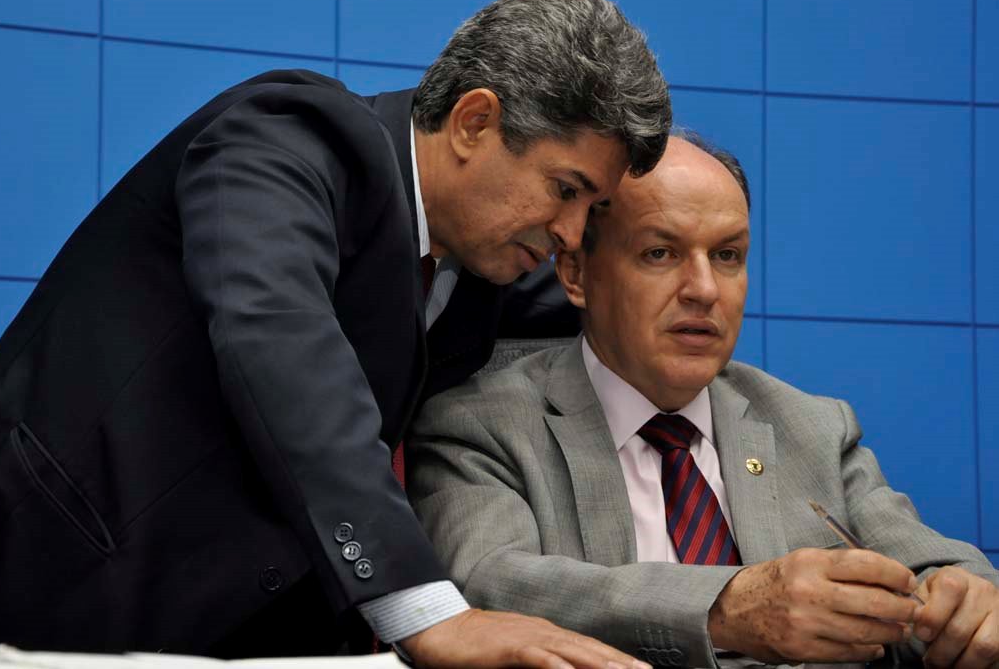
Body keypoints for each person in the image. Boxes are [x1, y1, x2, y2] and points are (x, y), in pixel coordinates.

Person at [0, 0, 672, 668]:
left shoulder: (484, 262)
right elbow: (280, 340)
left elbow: (621, 308)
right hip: (23, 577)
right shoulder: (292, 139)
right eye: (565, 189)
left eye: (593, 208)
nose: (572, 233)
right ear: (475, 122)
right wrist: (426, 610)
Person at [408, 133, 999, 668]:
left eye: (727, 255)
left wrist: (967, 604)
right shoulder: (482, 423)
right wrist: (723, 608)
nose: (705, 290)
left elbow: (935, 571)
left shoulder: (812, 427)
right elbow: (487, 586)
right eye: (660, 253)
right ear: (576, 274)